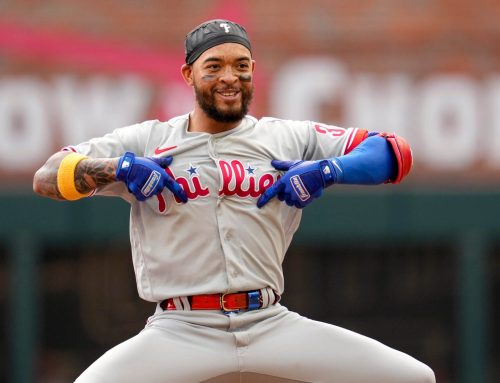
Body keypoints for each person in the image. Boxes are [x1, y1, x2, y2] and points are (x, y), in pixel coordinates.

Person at [33, 19, 435, 383]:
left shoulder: (286, 137)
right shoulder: (148, 140)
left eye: (241, 65)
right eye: (215, 66)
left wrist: (328, 171)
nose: (230, 77)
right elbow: (47, 177)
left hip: (269, 321)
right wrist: (119, 169)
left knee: (413, 378)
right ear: (188, 74)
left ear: (253, 71)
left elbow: (394, 154)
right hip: (180, 329)